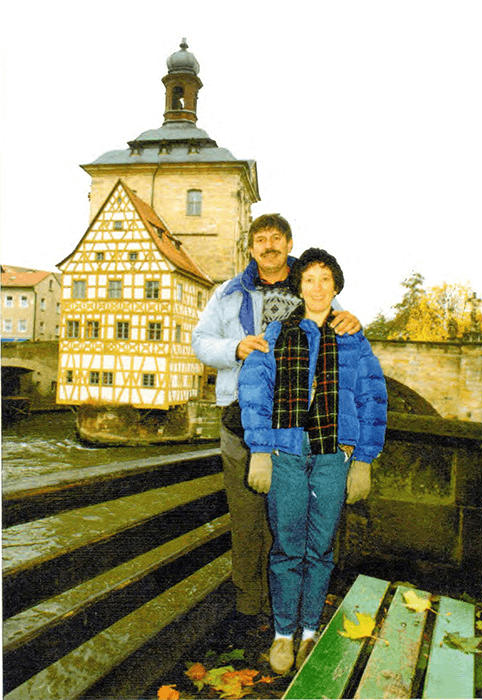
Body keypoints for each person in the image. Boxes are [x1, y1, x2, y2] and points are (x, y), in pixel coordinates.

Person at [192, 215, 361, 631]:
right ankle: (250, 609)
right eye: (260, 239)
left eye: (276, 239)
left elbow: (341, 342)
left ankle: (289, 612)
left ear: (289, 243)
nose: (268, 246)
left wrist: (353, 323)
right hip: (239, 419)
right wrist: (235, 347)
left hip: (296, 427)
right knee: (247, 519)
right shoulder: (228, 294)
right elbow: (200, 341)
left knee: (294, 519)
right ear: (251, 247)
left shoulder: (312, 285)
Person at [238, 248, 387, 674]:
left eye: (325, 279)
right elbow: (255, 391)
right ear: (299, 287)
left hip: (331, 457)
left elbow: (372, 398)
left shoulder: (352, 338)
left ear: (335, 287)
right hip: (286, 454)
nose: (317, 287)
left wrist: (363, 461)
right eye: (309, 279)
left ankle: (308, 632)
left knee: (320, 549)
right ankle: (283, 634)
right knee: (286, 548)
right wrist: (261, 452)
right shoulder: (277, 332)